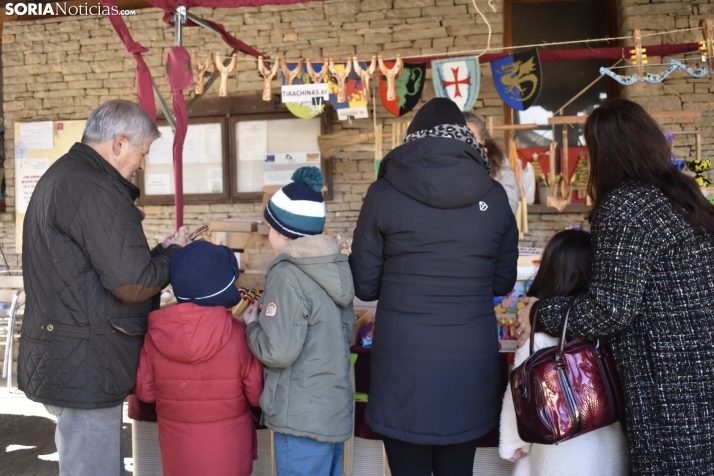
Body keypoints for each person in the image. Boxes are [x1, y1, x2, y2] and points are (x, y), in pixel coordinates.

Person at [516, 98, 714, 474]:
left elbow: (611, 308)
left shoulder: (624, 206)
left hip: (664, 376)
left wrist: (542, 311)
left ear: (602, 152)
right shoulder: (684, 195)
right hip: (700, 366)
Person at [349, 98, 518, 476]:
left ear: (413, 140)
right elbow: (503, 281)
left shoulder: (383, 193)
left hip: (404, 361)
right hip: (468, 358)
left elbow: (365, 283)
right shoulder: (493, 197)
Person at [18, 99, 187, 476]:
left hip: (69, 349)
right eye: (142, 153)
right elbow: (131, 281)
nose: (142, 164)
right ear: (120, 143)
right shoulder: (96, 189)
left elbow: (104, 265)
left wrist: (162, 251)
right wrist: (174, 257)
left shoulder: (66, 175)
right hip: (87, 360)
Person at [243, 167, 354, 476]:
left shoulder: (287, 272)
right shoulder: (335, 266)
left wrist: (252, 327)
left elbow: (279, 351)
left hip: (301, 415)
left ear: (282, 231)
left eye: (270, 226)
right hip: (331, 410)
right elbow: (344, 332)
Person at [500, 228, 628, 476]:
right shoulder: (611, 327)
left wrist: (514, 445)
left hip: (557, 453)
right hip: (610, 446)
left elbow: (520, 393)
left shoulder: (537, 330)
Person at [134, 241, 263, 476]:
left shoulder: (155, 335)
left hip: (178, 453)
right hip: (230, 451)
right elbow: (256, 395)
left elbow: (145, 392)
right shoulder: (239, 335)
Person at [464, 111, 520, 215]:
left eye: (472, 138)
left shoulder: (498, 161)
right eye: (461, 138)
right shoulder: (447, 161)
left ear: (483, 140)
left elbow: (509, 204)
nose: (468, 144)